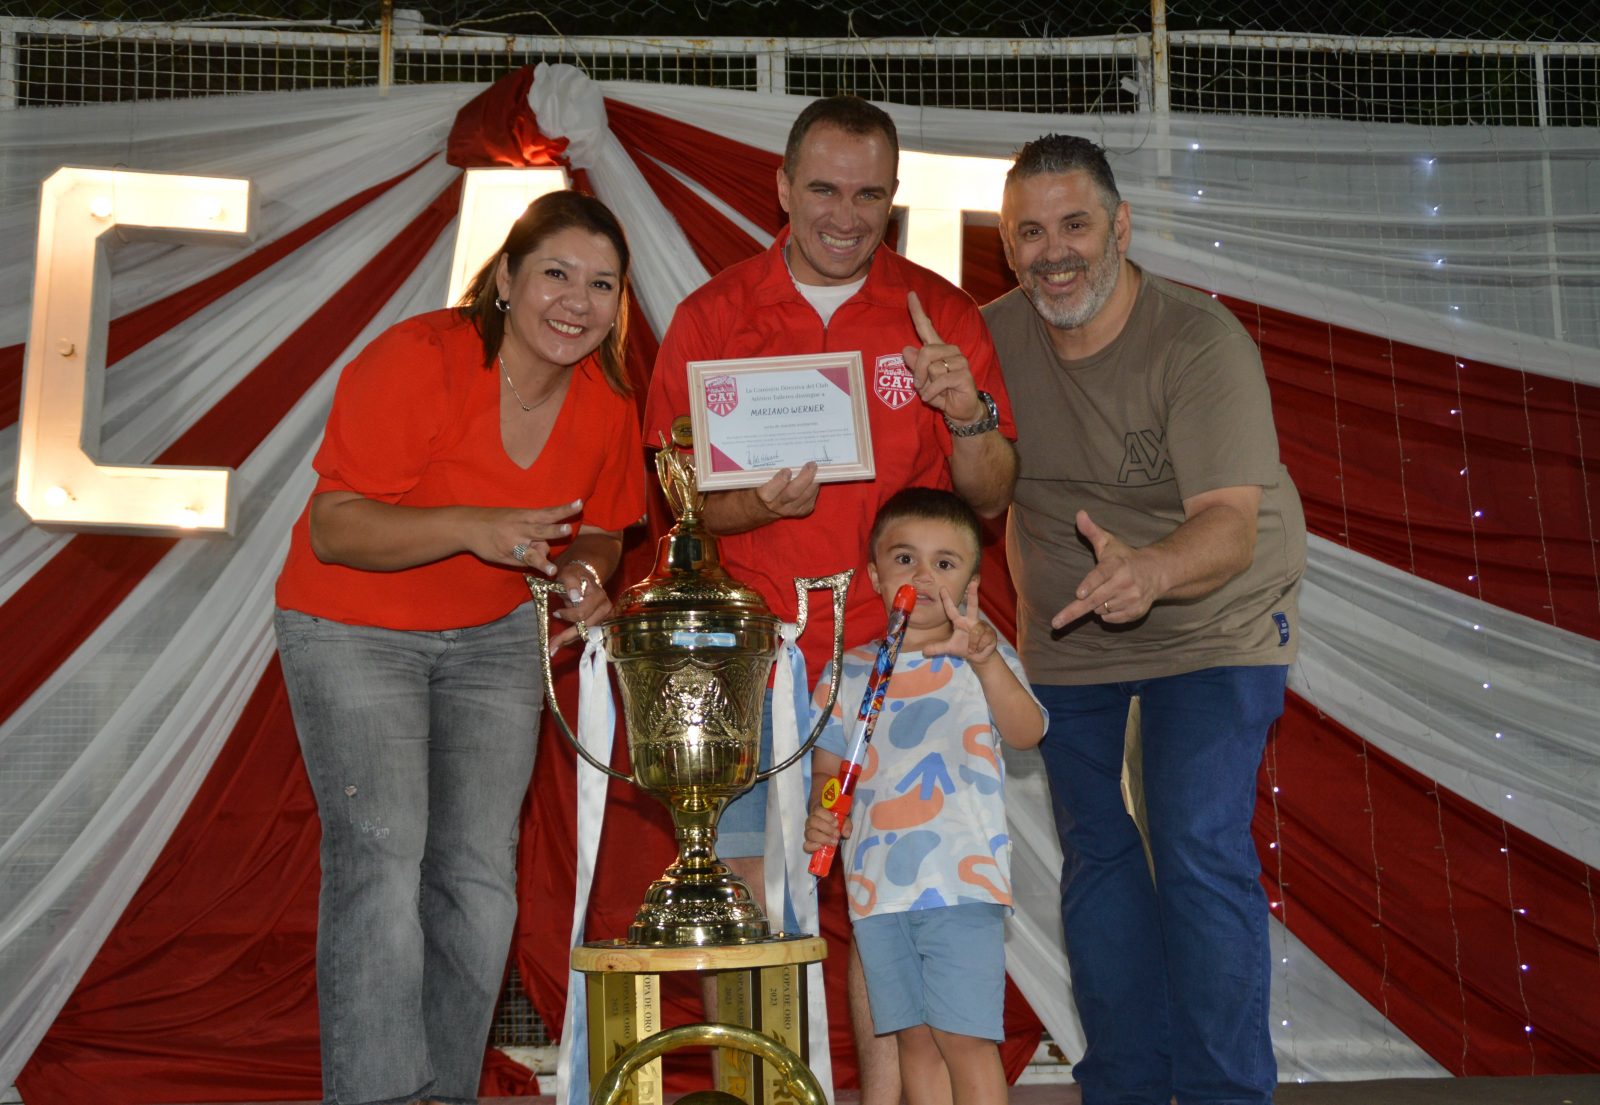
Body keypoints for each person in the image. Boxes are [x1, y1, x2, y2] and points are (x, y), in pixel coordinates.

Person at [642, 94, 1018, 1099]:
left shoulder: (938, 316)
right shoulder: (712, 315)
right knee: (747, 893)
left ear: (893, 199)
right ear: (781, 187)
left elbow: (989, 496)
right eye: (823, 188)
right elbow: (681, 504)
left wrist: (967, 410)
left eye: (868, 195)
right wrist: (744, 503)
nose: (845, 214)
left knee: (882, 908)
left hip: (894, 663)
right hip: (756, 656)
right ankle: (758, 1088)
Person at [273, 190, 646, 1105]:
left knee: (479, 883)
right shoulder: (420, 358)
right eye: (556, 272)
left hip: (493, 639)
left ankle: (441, 1091)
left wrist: (586, 578)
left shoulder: (607, 400)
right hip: (354, 629)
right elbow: (334, 527)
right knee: (383, 857)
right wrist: (472, 527)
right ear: (508, 278)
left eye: (602, 283)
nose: (577, 300)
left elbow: (604, 531)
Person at [984, 132, 1307, 1105]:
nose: (1054, 250)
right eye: (1029, 231)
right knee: (1097, 852)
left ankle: (1222, 1092)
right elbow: (962, 480)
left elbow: (1229, 526)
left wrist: (1149, 573)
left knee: (1195, 835)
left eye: (1075, 222)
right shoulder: (984, 338)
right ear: (1006, 247)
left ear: (1120, 227)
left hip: (1215, 615)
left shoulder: (1198, 339)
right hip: (1071, 631)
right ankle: (1122, 1083)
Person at [803, 487, 1046, 1105]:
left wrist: (989, 662)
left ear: (971, 582)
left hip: (961, 885)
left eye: (945, 562)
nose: (923, 576)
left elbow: (1028, 731)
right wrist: (821, 813)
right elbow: (830, 767)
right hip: (877, 891)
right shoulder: (846, 670)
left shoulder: (982, 659)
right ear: (875, 576)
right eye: (904, 558)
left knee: (965, 1039)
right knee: (912, 1039)